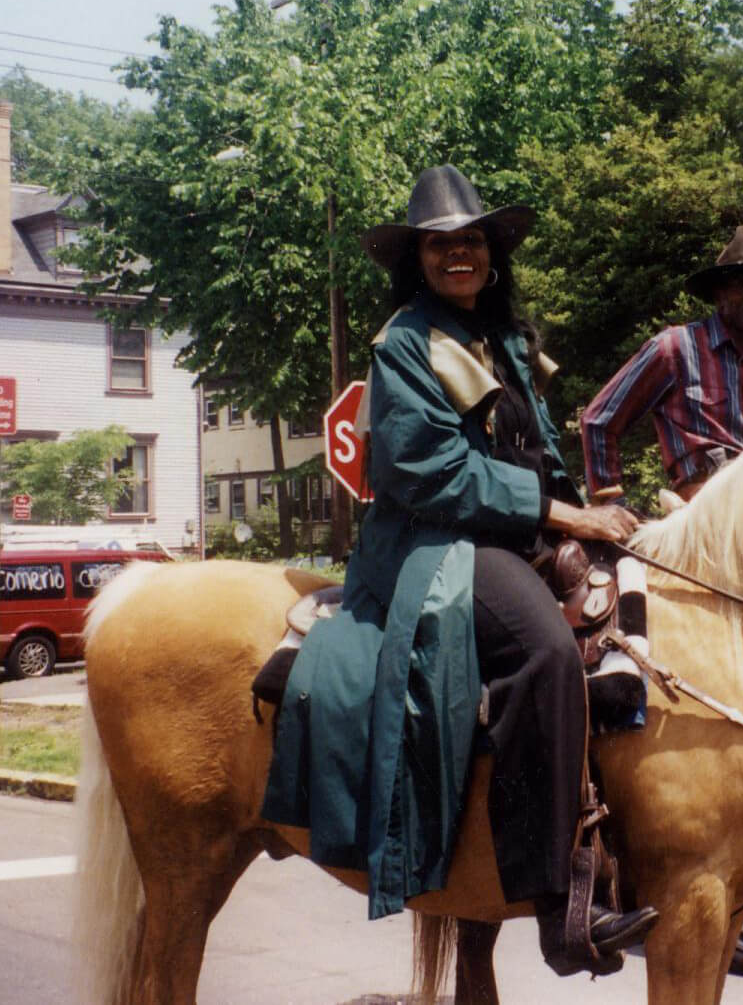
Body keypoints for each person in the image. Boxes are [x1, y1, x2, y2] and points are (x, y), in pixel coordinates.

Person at [261, 165, 657, 976]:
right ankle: (560, 903)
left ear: (492, 251)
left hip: (506, 531)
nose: (459, 256)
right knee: (546, 650)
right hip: (433, 542)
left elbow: (535, 448)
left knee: (632, 606)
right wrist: (563, 516)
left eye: (471, 240)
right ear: (419, 259)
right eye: (441, 245)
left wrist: (597, 514)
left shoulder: (504, 338)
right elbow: (427, 471)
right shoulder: (404, 343)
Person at [581, 225, 743, 502]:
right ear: (719, 294)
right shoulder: (676, 349)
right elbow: (599, 421)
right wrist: (610, 504)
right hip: (703, 518)